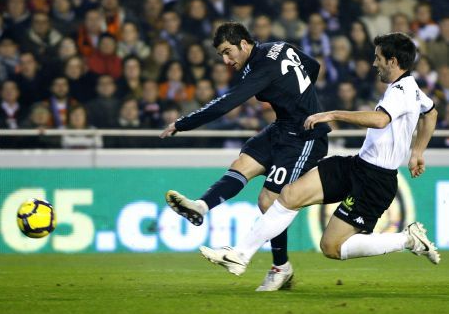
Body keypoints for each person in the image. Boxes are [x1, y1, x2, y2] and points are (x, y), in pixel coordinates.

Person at [198, 32, 440, 279]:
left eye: (378, 58)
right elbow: (430, 113)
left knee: (331, 247)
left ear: (393, 61)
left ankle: (407, 239)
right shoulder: (413, 89)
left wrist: (331, 114)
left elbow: (380, 120)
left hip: (376, 180)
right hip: (356, 165)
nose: (374, 63)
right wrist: (417, 152)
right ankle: (240, 256)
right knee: (289, 194)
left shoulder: (400, 91)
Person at [160, 22, 330, 291]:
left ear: (243, 43)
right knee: (241, 165)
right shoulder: (279, 46)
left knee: (268, 201)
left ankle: (280, 268)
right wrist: (298, 96)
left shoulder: (262, 68)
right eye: (221, 56)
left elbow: (225, 104)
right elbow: (313, 66)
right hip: (281, 127)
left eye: (228, 52)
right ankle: (200, 207)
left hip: (305, 136)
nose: (226, 60)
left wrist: (183, 123)